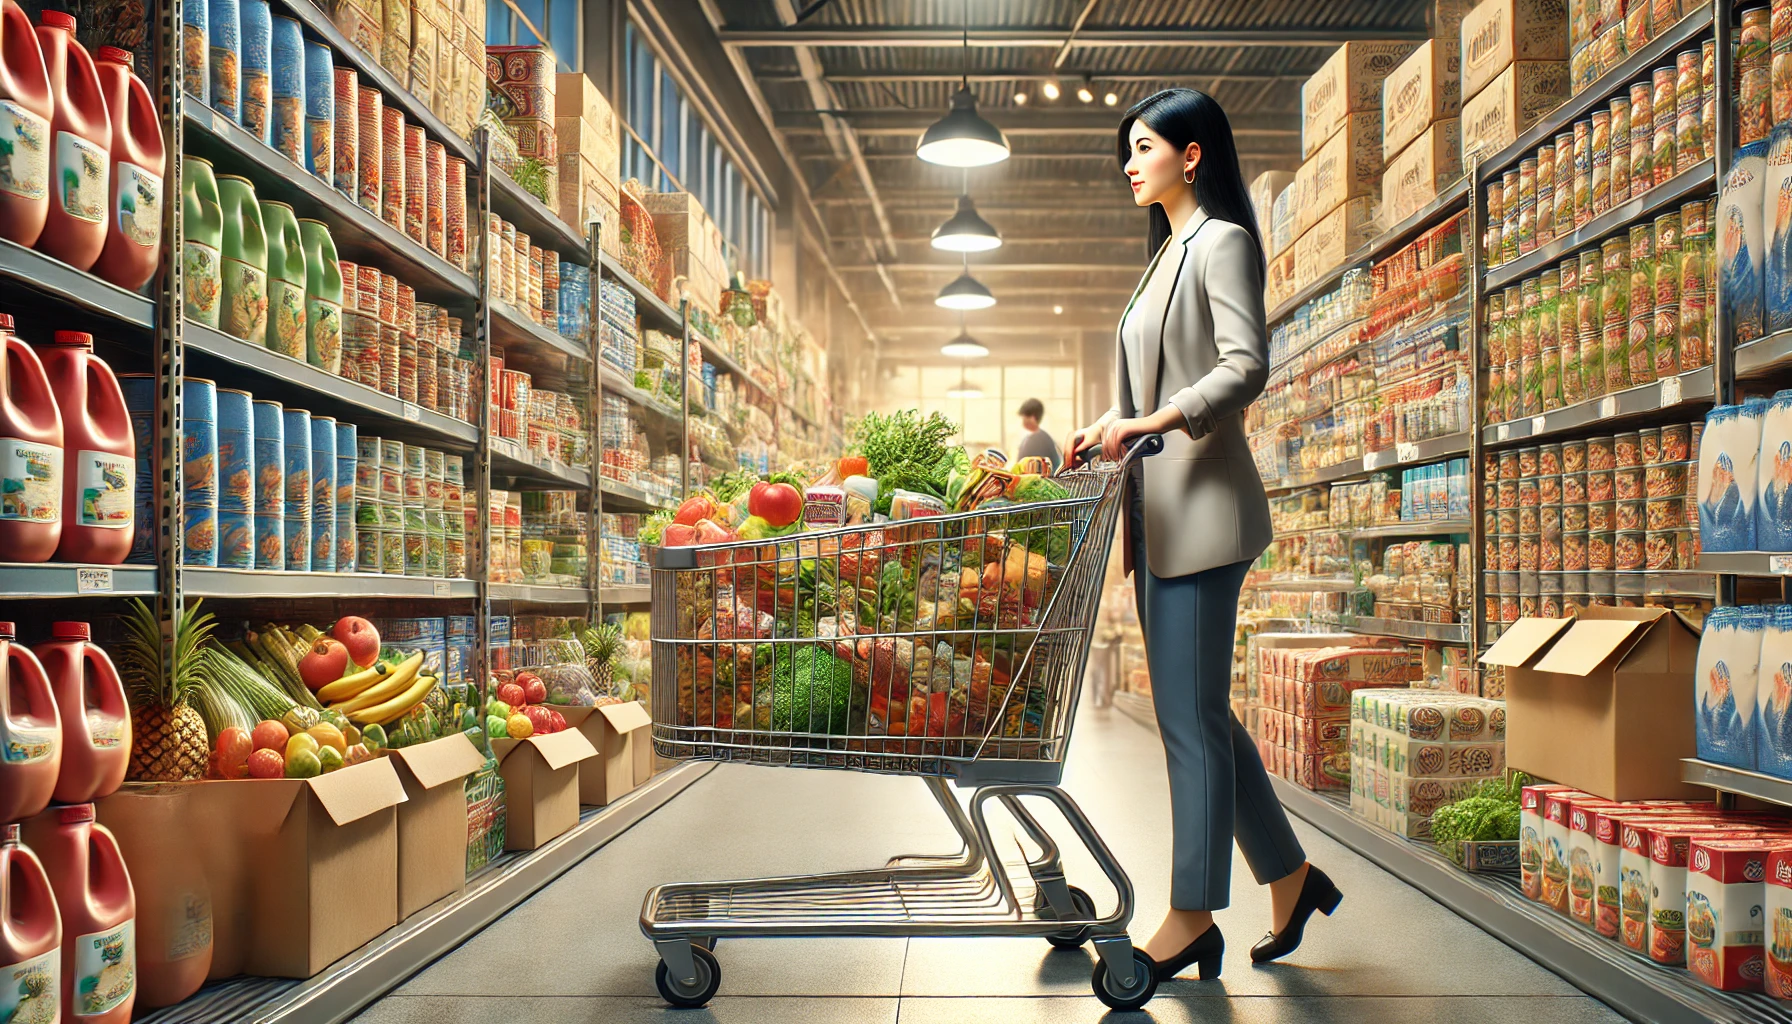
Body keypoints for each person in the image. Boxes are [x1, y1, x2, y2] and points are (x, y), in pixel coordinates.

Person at [1064, 87, 1342, 983]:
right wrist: (1108, 421)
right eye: (1127, 150)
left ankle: (1189, 914)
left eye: (1143, 146)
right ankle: (1290, 876)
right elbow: (1156, 382)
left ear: (1192, 155)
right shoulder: (1161, 259)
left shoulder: (1219, 242)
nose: (1129, 162)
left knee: (1186, 722)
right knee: (1205, 716)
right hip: (1159, 518)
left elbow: (1243, 366)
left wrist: (1154, 425)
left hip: (1204, 514)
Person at [1014, 398, 1061, 470]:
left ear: (1033, 417)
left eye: (1024, 417)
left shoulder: (1039, 440)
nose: (1022, 421)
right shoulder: (1031, 438)